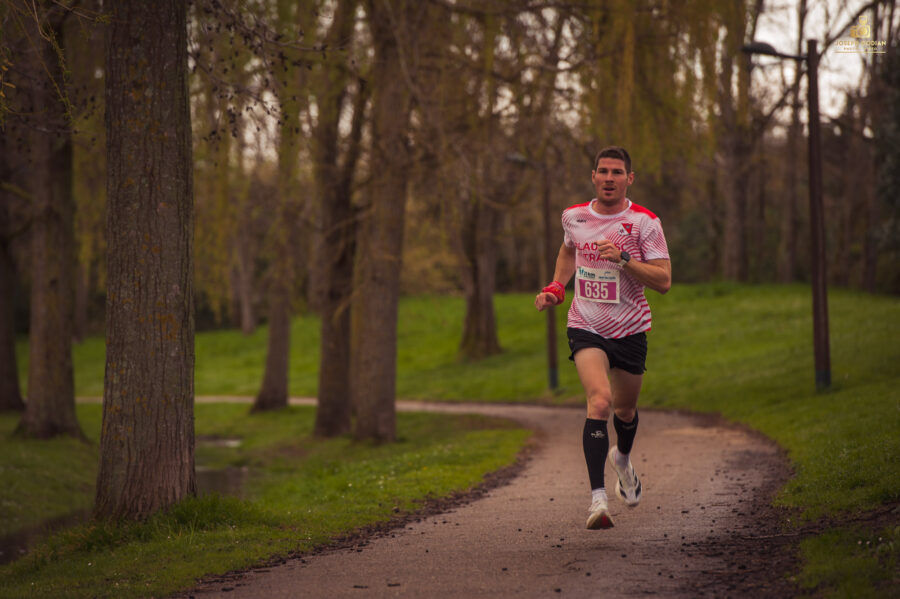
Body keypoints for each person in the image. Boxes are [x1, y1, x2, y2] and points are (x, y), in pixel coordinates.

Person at [535, 146, 671, 529]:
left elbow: (663, 281)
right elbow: (567, 252)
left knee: (625, 412)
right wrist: (557, 288)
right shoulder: (573, 216)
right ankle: (598, 501)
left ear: (630, 179)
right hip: (586, 324)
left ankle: (623, 461)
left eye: (617, 172)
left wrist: (624, 260)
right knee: (600, 402)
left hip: (629, 329)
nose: (609, 178)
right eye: (603, 171)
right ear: (593, 176)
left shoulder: (645, 223)